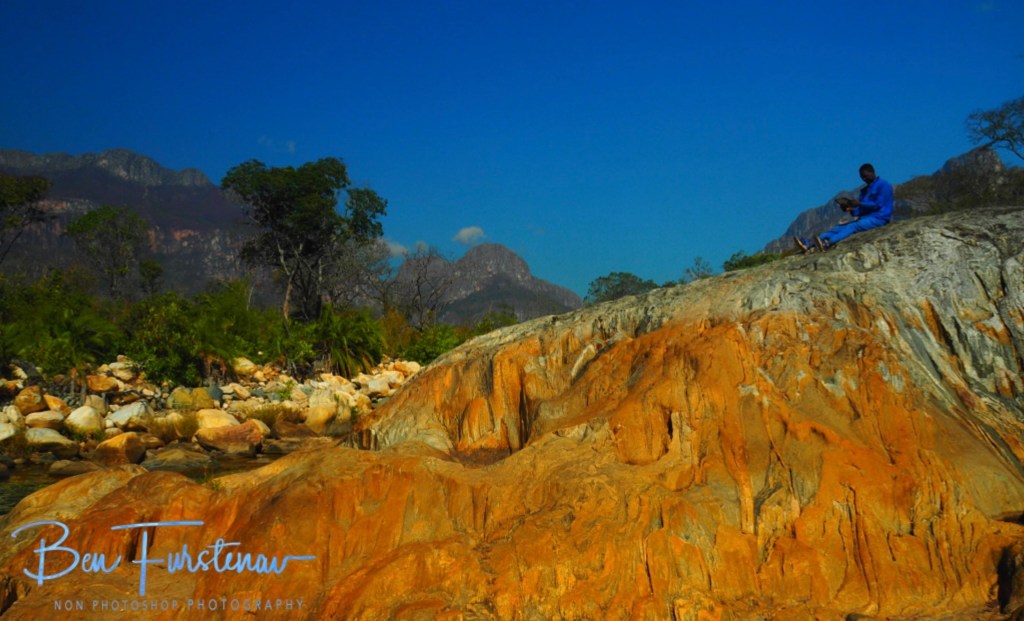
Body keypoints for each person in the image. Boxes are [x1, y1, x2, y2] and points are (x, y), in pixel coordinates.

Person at [795, 163, 894, 253]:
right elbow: (863, 210)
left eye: (865, 176)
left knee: (853, 226)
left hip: (879, 218)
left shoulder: (884, 185)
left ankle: (828, 243)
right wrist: (851, 209)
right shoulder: (865, 190)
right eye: (862, 177)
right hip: (867, 217)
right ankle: (809, 244)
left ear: (872, 172)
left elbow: (878, 204)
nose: (864, 179)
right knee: (838, 228)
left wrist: (859, 203)